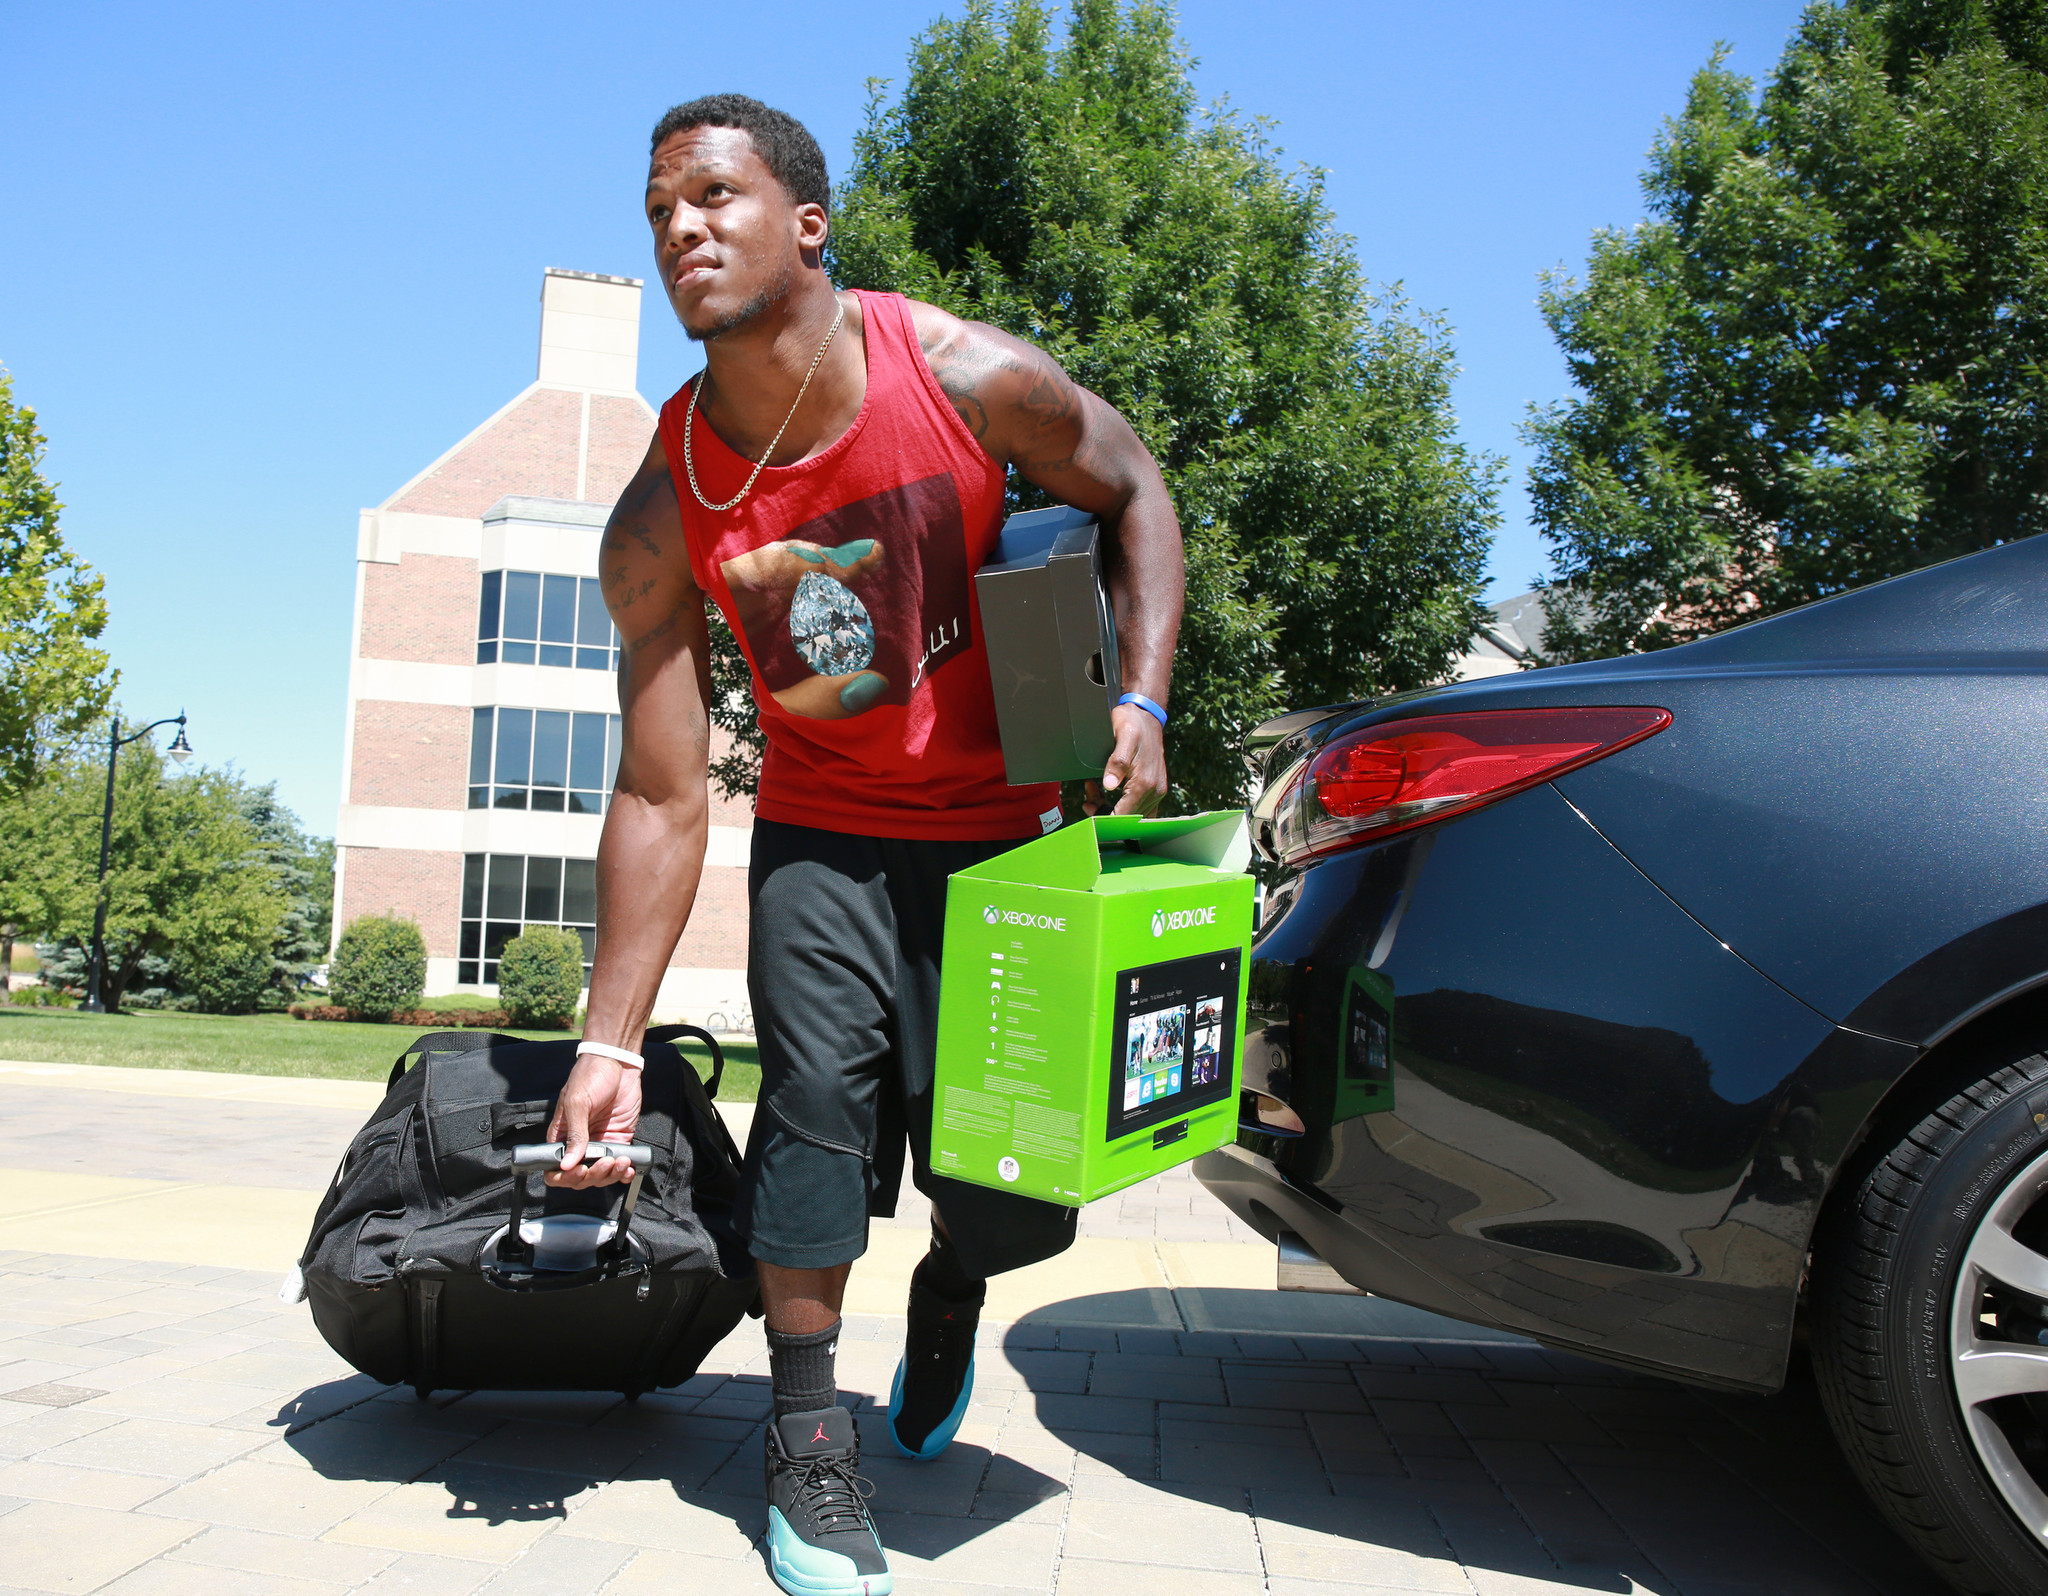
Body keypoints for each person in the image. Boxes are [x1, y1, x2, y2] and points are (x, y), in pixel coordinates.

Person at [544, 93, 1184, 1596]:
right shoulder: (666, 508)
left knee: (1017, 1202)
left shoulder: (964, 376)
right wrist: (612, 1042)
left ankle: (956, 1287)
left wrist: (1143, 697)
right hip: (827, 837)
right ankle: (807, 1443)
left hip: (1010, 846)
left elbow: (1137, 486)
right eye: (659, 213)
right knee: (814, 1126)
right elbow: (657, 790)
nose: (681, 231)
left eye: (714, 196)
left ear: (807, 224)